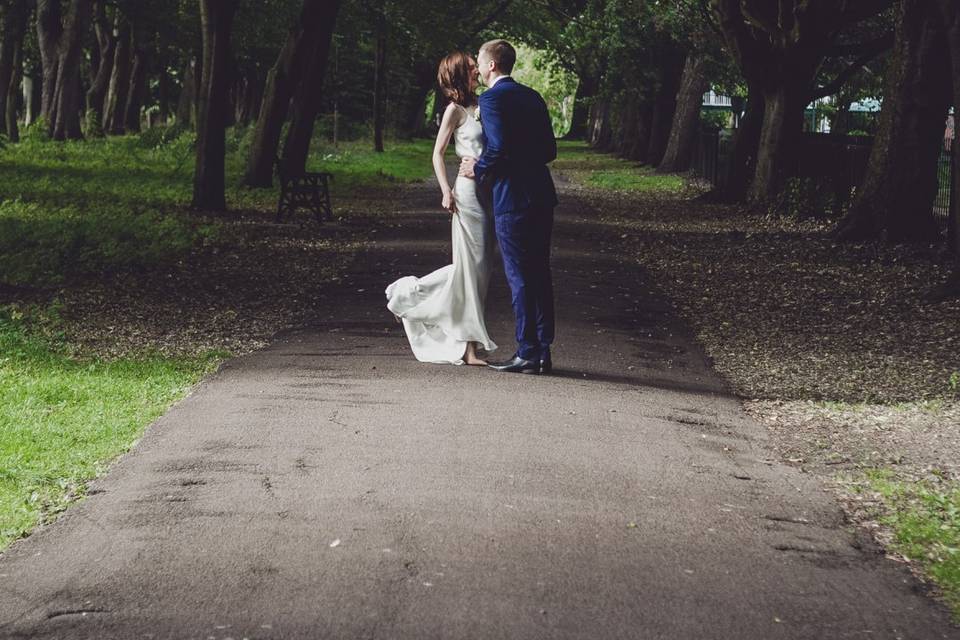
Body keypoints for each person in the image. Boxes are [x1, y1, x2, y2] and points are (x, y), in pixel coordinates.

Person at [385, 51, 497, 366]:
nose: (477, 68)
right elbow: (437, 153)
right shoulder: (454, 111)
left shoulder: (483, 106)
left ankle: (410, 297)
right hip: (467, 195)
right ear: (460, 74)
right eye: (472, 66)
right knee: (471, 269)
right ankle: (469, 347)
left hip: (488, 192)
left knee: (480, 270)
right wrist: (446, 190)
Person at [459, 39, 558, 375]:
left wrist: (479, 168)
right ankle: (543, 350)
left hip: (512, 198)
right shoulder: (533, 97)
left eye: (479, 62)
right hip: (542, 194)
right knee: (540, 273)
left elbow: (498, 148)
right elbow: (549, 151)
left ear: (491, 66)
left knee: (519, 277)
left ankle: (527, 352)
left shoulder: (491, 99)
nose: (477, 68)